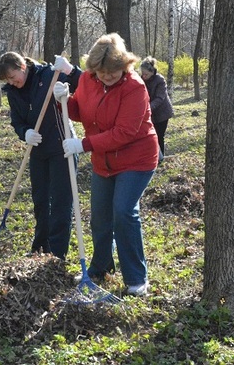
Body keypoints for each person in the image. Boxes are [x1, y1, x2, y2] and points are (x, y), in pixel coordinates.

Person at [53, 33, 159, 296]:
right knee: (100, 216)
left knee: (123, 211)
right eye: (101, 73)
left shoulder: (135, 88)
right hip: (104, 160)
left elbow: (125, 132)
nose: (107, 77)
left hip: (137, 158)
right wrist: (63, 100)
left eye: (112, 72)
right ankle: (101, 267)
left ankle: (136, 278)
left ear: (124, 65)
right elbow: (79, 110)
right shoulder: (89, 80)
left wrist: (84, 145)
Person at [0, 52, 81, 260]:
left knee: (60, 200)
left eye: (12, 76)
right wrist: (25, 132)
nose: (12, 82)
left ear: (22, 66)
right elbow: (17, 121)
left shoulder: (48, 75)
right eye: (7, 80)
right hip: (38, 151)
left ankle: (57, 253)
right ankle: (40, 248)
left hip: (63, 146)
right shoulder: (13, 92)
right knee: (41, 200)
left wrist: (70, 71)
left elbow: (83, 84)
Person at [140, 56, 174, 158]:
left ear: (152, 72)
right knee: (149, 136)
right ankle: (152, 156)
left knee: (159, 136)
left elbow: (160, 97)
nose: (144, 76)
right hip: (150, 113)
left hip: (162, 113)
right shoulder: (142, 80)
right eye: (142, 73)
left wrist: (148, 107)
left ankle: (161, 156)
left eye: (146, 74)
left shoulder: (160, 80)